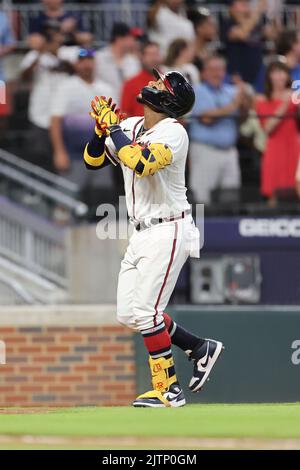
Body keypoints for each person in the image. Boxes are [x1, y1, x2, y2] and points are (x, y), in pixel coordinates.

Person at [83, 69, 223, 407]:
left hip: (170, 227)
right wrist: (101, 131)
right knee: (129, 314)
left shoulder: (174, 132)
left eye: (161, 85)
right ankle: (199, 346)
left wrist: (113, 127)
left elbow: (142, 163)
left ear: (168, 99)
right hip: (140, 231)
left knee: (147, 312)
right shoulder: (131, 125)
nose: (153, 84)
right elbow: (93, 161)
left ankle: (168, 390)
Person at [50, 48, 114, 188]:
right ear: (76, 64)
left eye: (90, 61)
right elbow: (55, 122)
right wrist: (59, 152)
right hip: (73, 155)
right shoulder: (65, 87)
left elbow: (115, 123)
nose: (86, 65)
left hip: (101, 155)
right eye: (82, 61)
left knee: (101, 200)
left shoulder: (106, 89)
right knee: (68, 200)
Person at [189, 55, 246, 204]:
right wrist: (234, 105)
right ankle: (199, 227)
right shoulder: (196, 91)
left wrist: (245, 100)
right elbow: (206, 119)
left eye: (220, 69)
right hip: (206, 150)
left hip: (230, 151)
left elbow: (243, 118)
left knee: (231, 196)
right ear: (204, 72)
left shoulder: (230, 91)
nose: (216, 73)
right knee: (202, 198)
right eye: (212, 69)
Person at [20, 21, 72, 171]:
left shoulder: (66, 53)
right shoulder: (34, 56)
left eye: (57, 36)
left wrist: (56, 55)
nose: (55, 40)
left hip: (63, 115)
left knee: (62, 159)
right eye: (51, 37)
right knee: (40, 160)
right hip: (40, 116)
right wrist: (40, 54)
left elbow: (75, 70)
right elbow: (24, 77)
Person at [255, 60, 300, 203]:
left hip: (295, 147)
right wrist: (285, 103)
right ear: (269, 77)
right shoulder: (261, 99)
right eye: (275, 72)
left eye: (283, 72)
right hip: (275, 150)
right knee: (273, 192)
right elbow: (268, 128)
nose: (280, 76)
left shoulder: (295, 97)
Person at [220, 0, 267, 88]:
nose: (245, 3)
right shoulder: (227, 23)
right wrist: (257, 12)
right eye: (240, 2)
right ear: (231, 8)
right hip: (237, 76)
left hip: (257, 73)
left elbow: (270, 35)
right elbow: (242, 34)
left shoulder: (255, 23)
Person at [95, 23, 141, 103]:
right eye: (130, 38)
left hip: (127, 108)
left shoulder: (134, 61)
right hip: (105, 107)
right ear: (119, 39)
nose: (133, 41)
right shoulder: (99, 58)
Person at [28, 0, 92, 51]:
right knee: (32, 56)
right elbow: (33, 43)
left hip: (72, 52)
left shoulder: (74, 17)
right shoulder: (38, 19)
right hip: (47, 53)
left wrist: (73, 31)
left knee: (88, 53)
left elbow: (87, 38)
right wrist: (55, 35)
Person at [120, 41, 162, 117]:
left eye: (156, 54)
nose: (153, 58)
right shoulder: (130, 84)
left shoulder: (169, 82)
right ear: (141, 57)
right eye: (149, 55)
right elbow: (125, 114)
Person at [188, 8, 218, 73]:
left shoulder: (210, 52)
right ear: (199, 28)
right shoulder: (188, 54)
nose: (214, 29)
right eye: (210, 25)